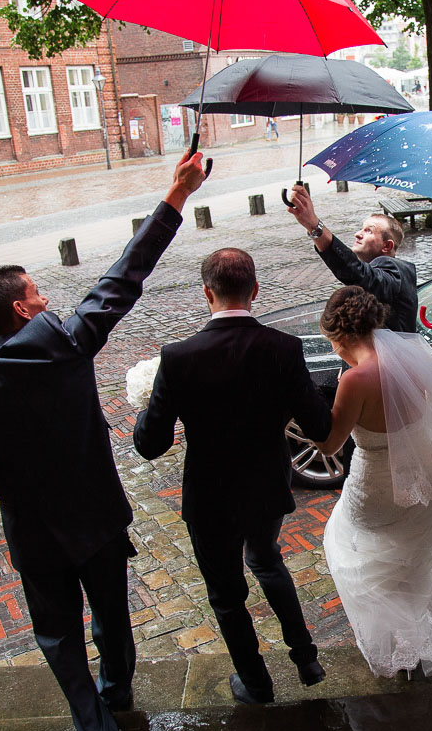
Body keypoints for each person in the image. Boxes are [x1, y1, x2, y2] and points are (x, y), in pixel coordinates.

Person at [0, 152, 209, 731]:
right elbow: (124, 277)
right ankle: (118, 694)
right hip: (97, 518)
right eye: (38, 293)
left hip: (33, 530)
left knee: (56, 631)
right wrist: (176, 194)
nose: (49, 298)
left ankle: (94, 728)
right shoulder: (66, 341)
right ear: (24, 312)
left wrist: (14, 469)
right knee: (112, 615)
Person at [132, 248, 332, 705]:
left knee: (226, 594)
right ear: (256, 290)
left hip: (211, 496)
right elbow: (320, 427)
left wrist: (149, 406)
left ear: (207, 293)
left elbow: (150, 444)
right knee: (267, 561)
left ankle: (256, 683)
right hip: (266, 486)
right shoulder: (283, 347)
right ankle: (306, 657)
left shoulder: (178, 357)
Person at [316, 287, 432, 678]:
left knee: (364, 560)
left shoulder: (355, 380)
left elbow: (330, 444)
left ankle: (395, 648)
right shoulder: (416, 359)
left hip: (374, 486)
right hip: (422, 479)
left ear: (339, 338)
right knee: (411, 566)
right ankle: (418, 650)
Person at [286, 185, 418, 333]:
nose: (358, 234)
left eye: (369, 231)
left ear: (387, 246)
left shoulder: (392, 268)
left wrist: (314, 225)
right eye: (362, 228)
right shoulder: (390, 273)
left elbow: (358, 273)